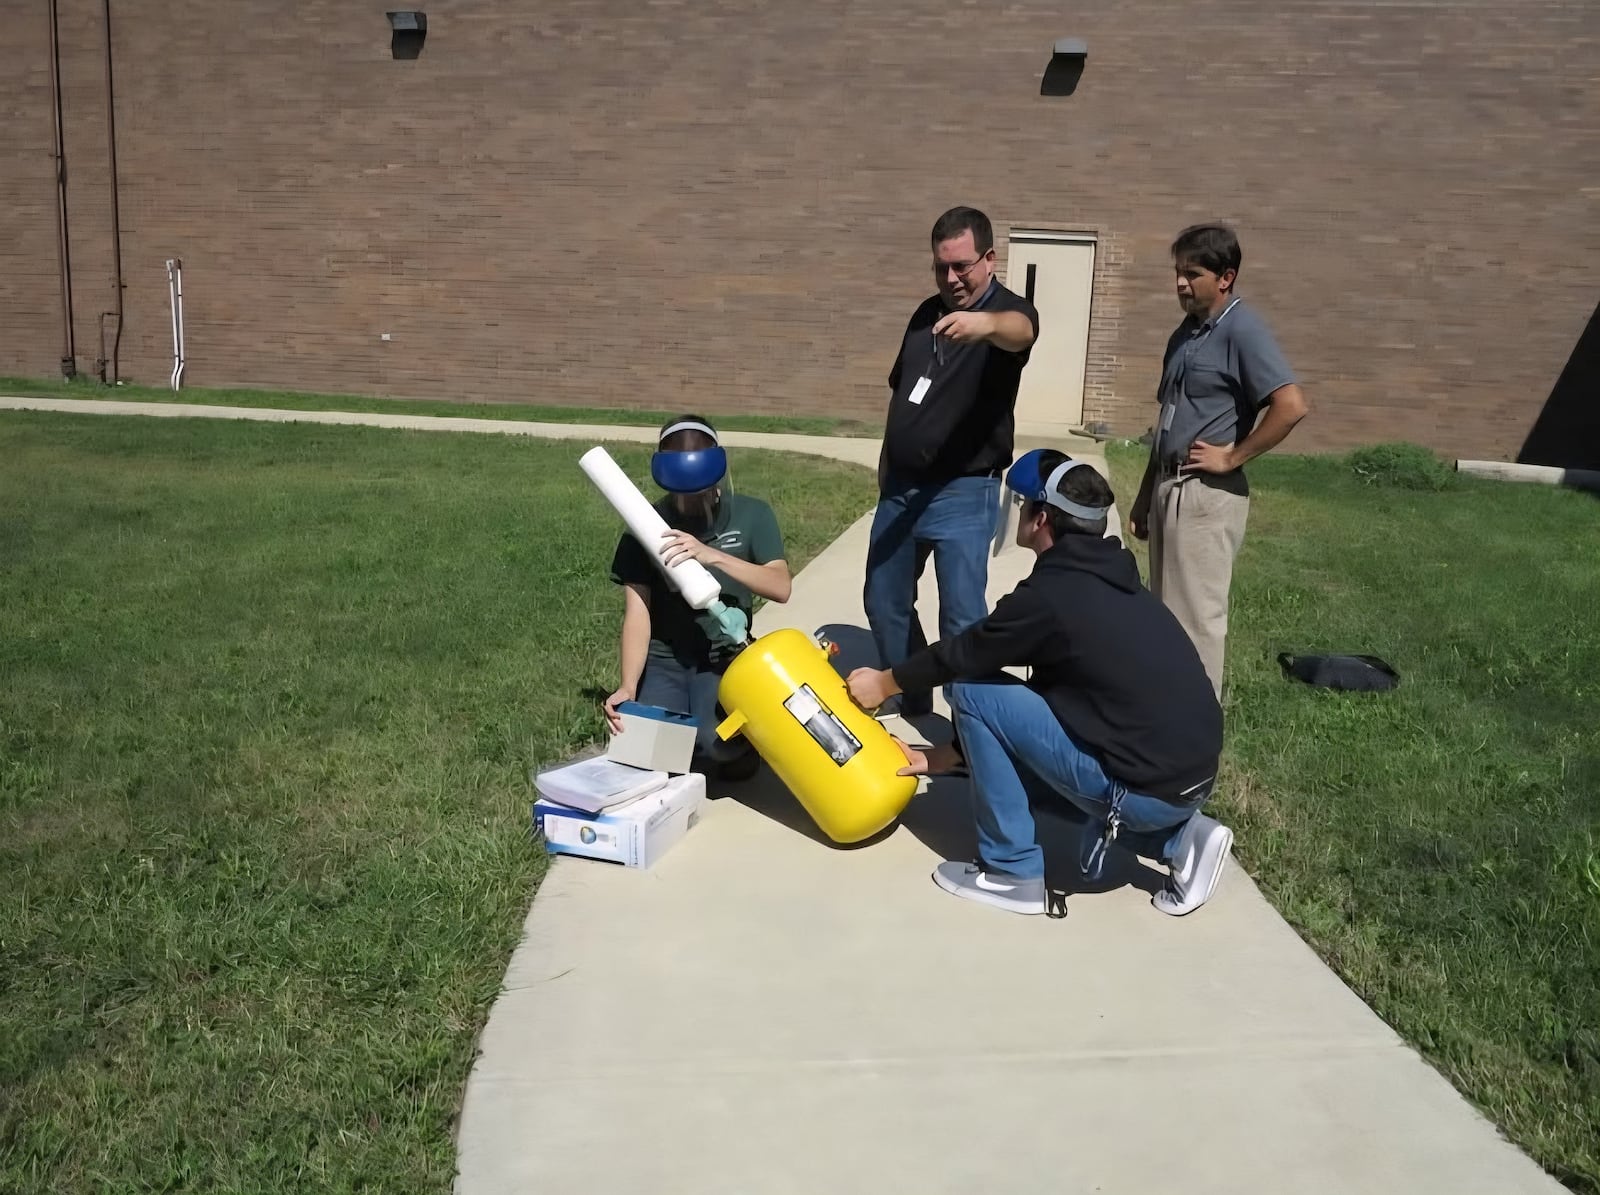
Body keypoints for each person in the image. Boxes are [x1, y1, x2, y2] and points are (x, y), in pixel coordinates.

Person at [846, 448, 1232, 917]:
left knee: (970, 688)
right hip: (1185, 779)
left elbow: (963, 654)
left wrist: (884, 683)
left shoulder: (1051, 598)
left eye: (1022, 505)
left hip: (1143, 792)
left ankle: (1011, 872)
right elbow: (1051, 703)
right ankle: (1181, 839)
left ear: (1041, 518)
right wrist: (942, 759)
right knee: (1009, 753)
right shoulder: (1111, 574)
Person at [865, 206, 1040, 716]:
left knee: (961, 616)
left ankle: (973, 726)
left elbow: (1021, 330)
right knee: (884, 599)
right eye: (941, 266)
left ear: (989, 259)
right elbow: (902, 395)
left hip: (963, 492)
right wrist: (886, 462)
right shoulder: (924, 315)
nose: (951, 277)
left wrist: (983, 324)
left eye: (962, 266)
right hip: (901, 488)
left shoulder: (1005, 314)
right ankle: (909, 691)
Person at [1129, 223, 1310, 699]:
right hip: (1170, 489)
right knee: (1164, 617)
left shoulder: (1242, 328)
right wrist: (1146, 494)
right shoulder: (1186, 335)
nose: (1180, 284)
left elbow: (1290, 405)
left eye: (1192, 274)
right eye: (1177, 273)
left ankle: (1198, 733)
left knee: (1196, 622)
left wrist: (1233, 456)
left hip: (1205, 498)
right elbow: (1166, 419)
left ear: (1225, 277)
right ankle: (1166, 716)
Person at [603, 415, 792, 781]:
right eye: (682, 494)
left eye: (701, 491)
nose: (691, 502)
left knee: (715, 743)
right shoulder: (645, 528)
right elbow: (637, 614)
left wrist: (714, 556)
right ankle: (682, 734)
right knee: (648, 754)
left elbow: (780, 587)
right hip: (665, 660)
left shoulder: (753, 514)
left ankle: (741, 749)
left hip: (723, 657)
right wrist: (627, 685)